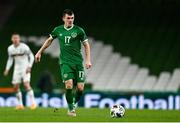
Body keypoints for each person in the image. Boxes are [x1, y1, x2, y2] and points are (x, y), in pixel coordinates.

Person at [35, 9, 92, 116]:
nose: (70, 20)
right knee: (69, 84)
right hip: (65, 62)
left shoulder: (79, 30)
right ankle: (71, 109)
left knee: (80, 88)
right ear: (63, 19)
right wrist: (39, 52)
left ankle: (73, 103)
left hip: (78, 62)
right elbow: (49, 41)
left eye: (72, 18)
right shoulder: (58, 30)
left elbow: (86, 45)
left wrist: (88, 60)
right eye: (68, 18)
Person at [4, 33, 36, 110]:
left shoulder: (24, 47)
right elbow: (10, 59)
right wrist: (7, 69)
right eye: (14, 38)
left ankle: (33, 103)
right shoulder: (10, 48)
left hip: (25, 68)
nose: (15, 39)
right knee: (15, 87)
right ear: (12, 39)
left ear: (19, 39)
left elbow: (31, 56)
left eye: (17, 38)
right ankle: (20, 105)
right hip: (17, 69)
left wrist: (29, 66)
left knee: (26, 84)